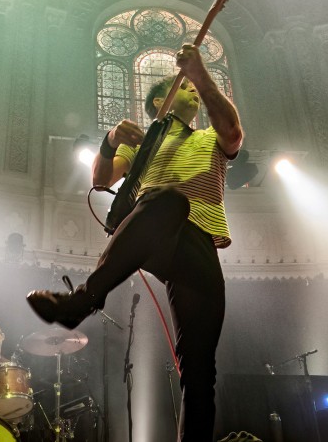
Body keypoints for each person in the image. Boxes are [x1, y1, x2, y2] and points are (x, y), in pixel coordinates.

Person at [27, 43, 244, 441]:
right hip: (158, 229)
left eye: (197, 88)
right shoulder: (144, 144)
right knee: (168, 200)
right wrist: (109, 141)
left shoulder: (210, 136)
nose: (195, 92)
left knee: (199, 370)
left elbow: (232, 132)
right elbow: (101, 180)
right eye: (187, 88)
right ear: (161, 100)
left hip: (198, 246)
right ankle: (82, 300)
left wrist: (200, 74)